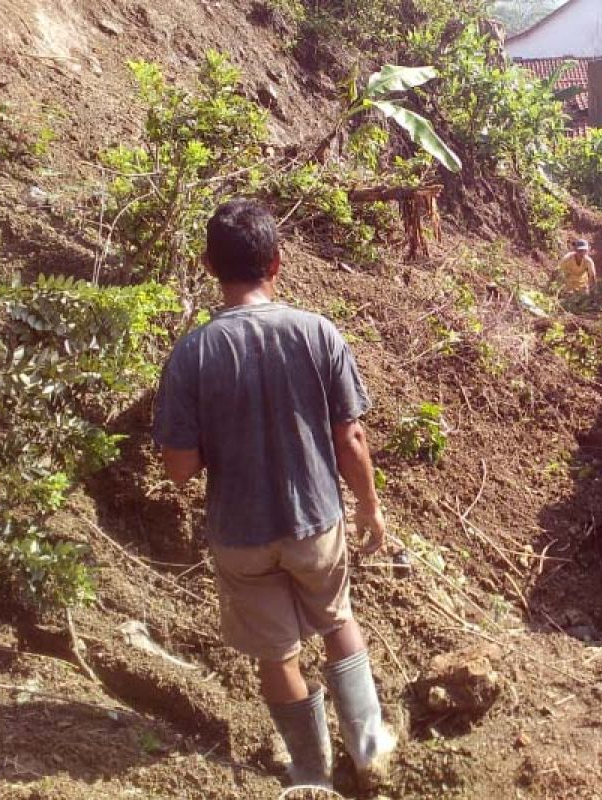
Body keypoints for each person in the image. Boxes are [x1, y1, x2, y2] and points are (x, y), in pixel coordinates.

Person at [153, 199, 396, 789]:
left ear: (210, 265)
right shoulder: (318, 333)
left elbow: (179, 468)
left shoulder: (192, 352)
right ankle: (369, 753)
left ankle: (310, 774)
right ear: (278, 263)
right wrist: (369, 506)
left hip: (240, 534)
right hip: (316, 520)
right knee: (338, 622)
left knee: (277, 655)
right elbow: (352, 438)